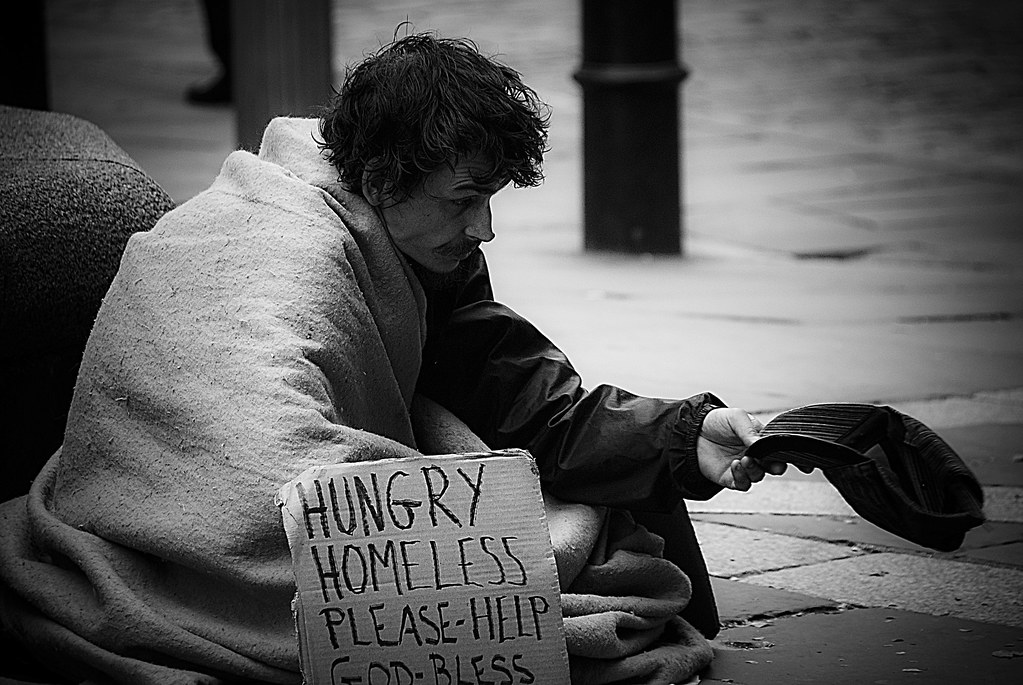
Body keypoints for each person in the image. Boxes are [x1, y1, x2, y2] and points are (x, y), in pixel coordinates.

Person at [0, 32, 788, 684]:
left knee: (619, 484)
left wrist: (686, 436)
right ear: (380, 180)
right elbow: (255, 457)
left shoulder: (417, 242)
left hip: (287, 478)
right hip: (166, 524)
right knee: (576, 553)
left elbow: (523, 394)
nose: (484, 228)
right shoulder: (276, 241)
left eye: (491, 198)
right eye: (463, 200)